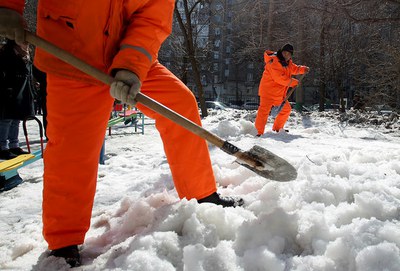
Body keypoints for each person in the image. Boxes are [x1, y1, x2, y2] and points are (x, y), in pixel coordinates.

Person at [0, 0, 243, 267]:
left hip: (130, 59)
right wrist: (7, 7)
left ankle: (203, 194)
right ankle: (63, 242)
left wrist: (132, 66)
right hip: (73, 52)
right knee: (72, 151)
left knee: (180, 105)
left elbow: (152, 16)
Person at [255, 43, 309, 136]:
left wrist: (303, 69)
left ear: (291, 55)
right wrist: (293, 82)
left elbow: (294, 69)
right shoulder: (274, 61)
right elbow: (279, 78)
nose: (286, 55)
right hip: (268, 92)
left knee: (286, 110)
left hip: (279, 94)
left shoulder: (288, 63)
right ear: (281, 52)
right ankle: (258, 132)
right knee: (264, 112)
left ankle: (277, 129)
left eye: (288, 54)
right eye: (284, 53)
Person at [0, 39, 31, 160]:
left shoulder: (24, 55)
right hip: (8, 91)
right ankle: (2, 146)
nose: (26, 45)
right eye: (24, 42)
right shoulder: (6, 54)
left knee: (16, 119)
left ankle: (14, 145)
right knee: (6, 119)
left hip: (21, 91)